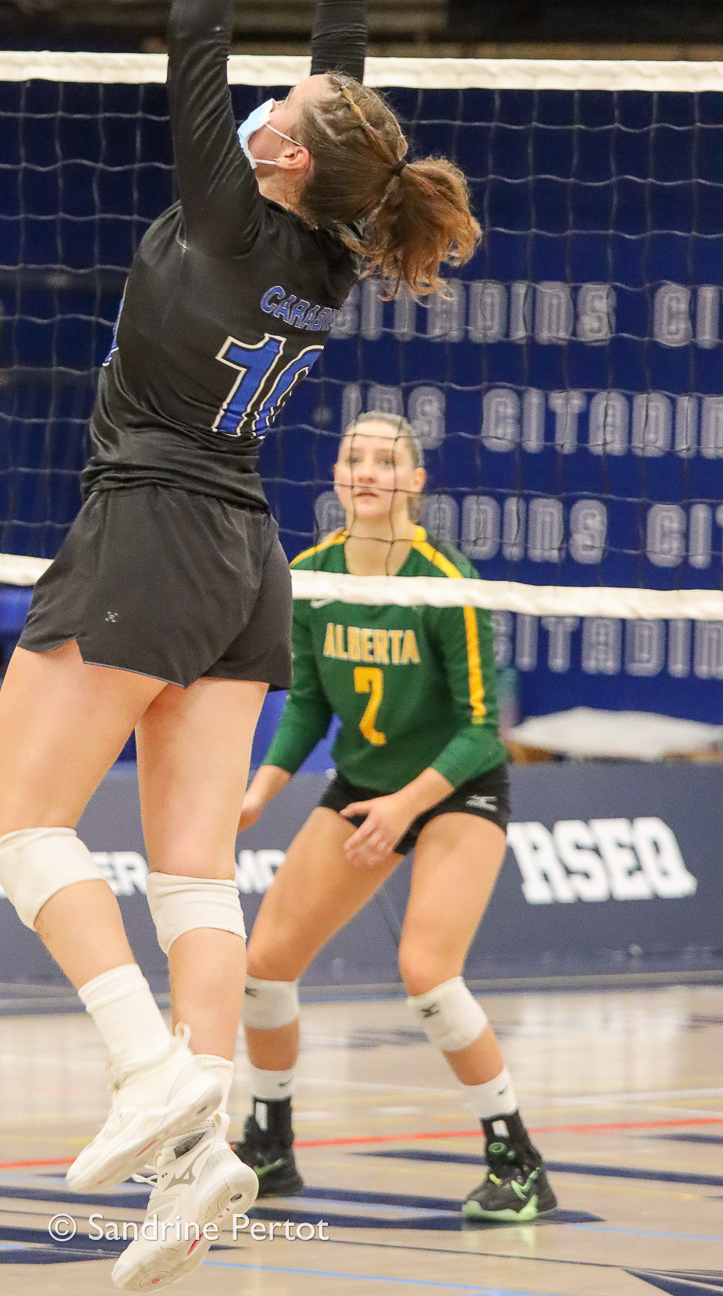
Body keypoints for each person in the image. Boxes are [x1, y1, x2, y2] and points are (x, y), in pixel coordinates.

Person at [0, 0, 480, 1292]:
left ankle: (146, 1072)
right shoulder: (326, 240)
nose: (274, 97)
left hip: (147, 524)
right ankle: (206, 1164)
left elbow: (196, 28)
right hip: (245, 556)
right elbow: (347, 108)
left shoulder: (231, 206)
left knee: (20, 828)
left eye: (283, 104)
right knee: (191, 871)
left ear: (273, 153)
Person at [233, 412, 557, 1223]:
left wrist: (407, 806)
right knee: (265, 962)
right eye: (354, 458)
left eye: (387, 461)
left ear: (416, 482)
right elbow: (307, 704)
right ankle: (270, 1147)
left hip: (457, 788)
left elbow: (485, 730)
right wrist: (259, 790)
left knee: (426, 971)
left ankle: (517, 1159)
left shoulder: (446, 582)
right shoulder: (311, 574)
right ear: (337, 477)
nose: (368, 472)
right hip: (363, 785)